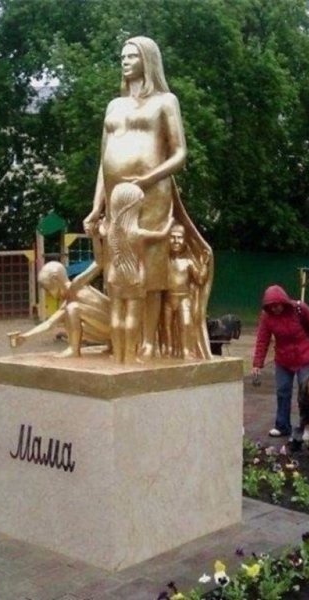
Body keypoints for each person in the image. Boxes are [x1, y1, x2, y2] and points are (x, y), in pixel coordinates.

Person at [83, 36, 212, 359]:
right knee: (119, 262)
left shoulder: (166, 101)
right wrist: (97, 206)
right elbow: (103, 162)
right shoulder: (114, 106)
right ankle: (122, 338)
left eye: (132, 56)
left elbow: (179, 154)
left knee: (151, 265)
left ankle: (150, 341)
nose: (125, 61)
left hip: (153, 192)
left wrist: (149, 178)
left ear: (148, 61)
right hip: (117, 196)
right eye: (123, 56)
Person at [104, 182, 173, 363]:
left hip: (114, 276)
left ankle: (118, 356)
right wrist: (170, 221)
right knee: (132, 316)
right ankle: (130, 356)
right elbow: (162, 234)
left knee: (116, 315)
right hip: (133, 276)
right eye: (140, 202)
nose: (142, 205)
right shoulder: (137, 233)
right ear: (132, 205)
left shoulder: (110, 230)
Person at [251, 285, 309, 438]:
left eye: (277, 305)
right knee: (282, 391)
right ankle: (282, 426)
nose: (275, 309)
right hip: (283, 359)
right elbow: (262, 339)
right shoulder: (266, 317)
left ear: (283, 302)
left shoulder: (300, 309)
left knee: (308, 392)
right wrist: (257, 364)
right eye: (271, 306)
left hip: (305, 356)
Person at [8, 261, 110, 357]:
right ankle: (111, 345)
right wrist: (25, 336)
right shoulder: (68, 303)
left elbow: (97, 264)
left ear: (55, 279)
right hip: (106, 326)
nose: (48, 293)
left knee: (72, 309)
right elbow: (49, 323)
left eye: (47, 288)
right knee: (68, 317)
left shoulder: (77, 284)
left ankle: (73, 350)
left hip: (113, 325)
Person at [164, 222, 209, 359]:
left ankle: (185, 351)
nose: (176, 241)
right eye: (172, 237)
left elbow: (200, 279)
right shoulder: (163, 261)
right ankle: (168, 351)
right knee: (166, 327)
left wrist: (204, 264)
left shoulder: (188, 262)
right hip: (167, 299)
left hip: (184, 299)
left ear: (184, 240)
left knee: (185, 324)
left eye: (179, 237)